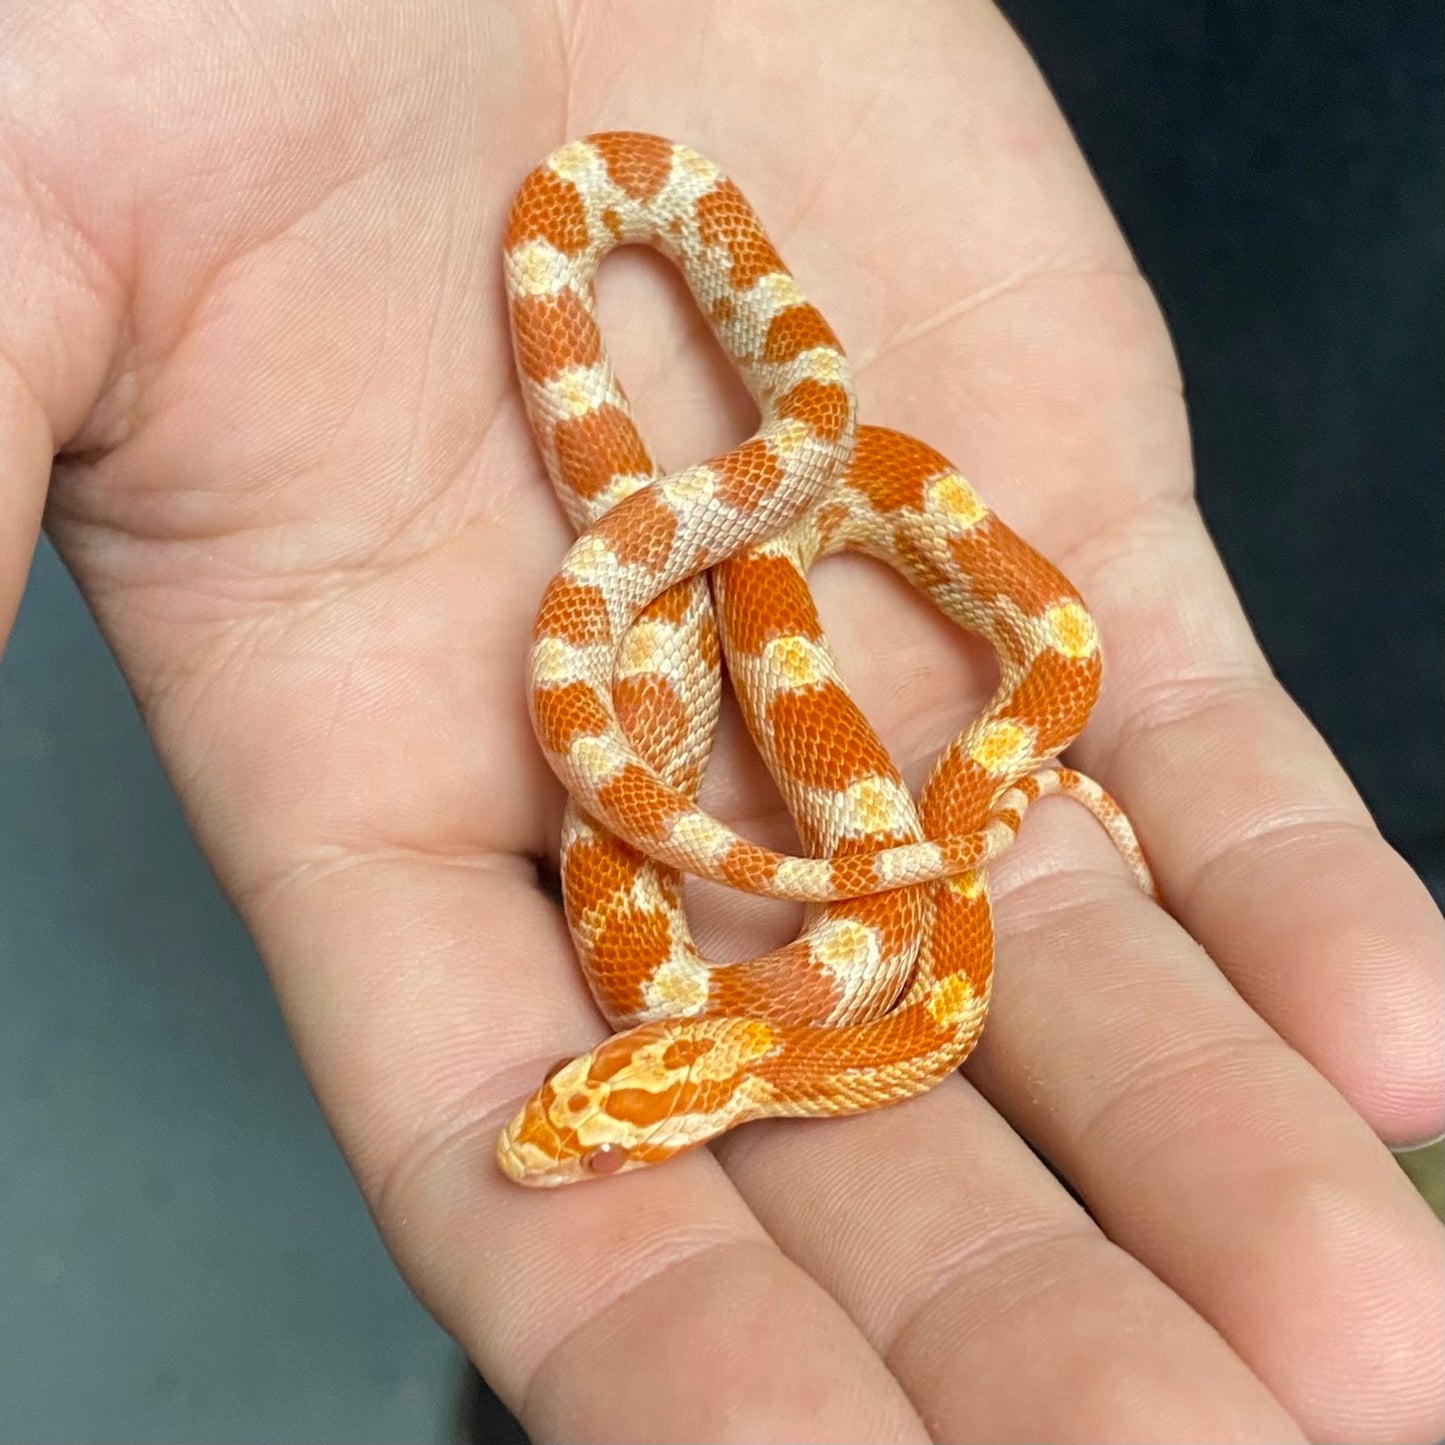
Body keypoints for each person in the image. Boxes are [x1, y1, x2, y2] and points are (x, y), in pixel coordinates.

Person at [1, 3, 1439, 1440]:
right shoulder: (853, 1009)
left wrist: (962, 804)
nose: (542, 1140)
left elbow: (999, 716)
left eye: (588, 1118)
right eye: (586, 1119)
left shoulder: (860, 990)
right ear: (684, 1094)